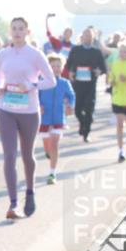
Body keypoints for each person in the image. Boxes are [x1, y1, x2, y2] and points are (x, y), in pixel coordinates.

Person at [0, 17, 56, 219]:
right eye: (14, 29)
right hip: (6, 107)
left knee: (27, 155)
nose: (17, 32)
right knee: (9, 154)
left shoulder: (35, 54)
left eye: (21, 29)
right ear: (9, 31)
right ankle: (13, 204)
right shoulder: (3, 53)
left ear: (28, 32)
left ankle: (30, 192)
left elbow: (51, 81)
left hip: (29, 110)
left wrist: (31, 86)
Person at [65, 27, 108, 142]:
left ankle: (86, 133)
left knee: (89, 109)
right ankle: (83, 123)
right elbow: (69, 64)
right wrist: (71, 72)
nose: (87, 38)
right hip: (78, 83)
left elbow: (103, 68)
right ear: (82, 37)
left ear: (92, 38)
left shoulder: (96, 51)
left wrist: (100, 71)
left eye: (90, 36)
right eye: (85, 35)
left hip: (90, 84)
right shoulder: (76, 50)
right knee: (78, 109)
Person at [38, 54, 75, 183]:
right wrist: (39, 105)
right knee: (47, 145)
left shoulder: (64, 83)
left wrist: (70, 105)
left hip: (59, 117)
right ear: (47, 68)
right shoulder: (42, 81)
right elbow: (35, 95)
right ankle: (48, 152)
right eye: (52, 66)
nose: (56, 68)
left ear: (62, 67)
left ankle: (52, 173)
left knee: (55, 143)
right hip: (44, 118)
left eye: (58, 66)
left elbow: (71, 96)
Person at [107, 41, 126, 163]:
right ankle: (120, 151)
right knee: (120, 125)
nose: (123, 53)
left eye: (125, 51)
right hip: (117, 99)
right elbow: (112, 77)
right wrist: (112, 82)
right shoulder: (115, 64)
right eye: (121, 51)